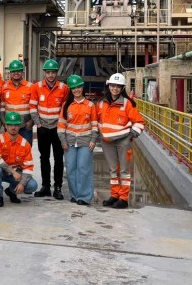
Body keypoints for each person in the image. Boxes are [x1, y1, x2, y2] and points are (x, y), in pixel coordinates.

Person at [98, 73, 145, 209]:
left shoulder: (127, 104)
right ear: (109, 86)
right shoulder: (101, 103)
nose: (115, 88)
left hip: (122, 141)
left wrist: (131, 135)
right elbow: (97, 120)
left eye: (118, 86)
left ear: (122, 88)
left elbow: (139, 122)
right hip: (107, 142)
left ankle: (123, 199)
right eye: (113, 85)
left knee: (124, 171)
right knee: (113, 170)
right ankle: (115, 195)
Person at [29, 59, 69, 200]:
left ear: (56, 73)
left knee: (59, 158)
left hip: (57, 129)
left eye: (53, 72)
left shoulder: (64, 88)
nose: (50, 75)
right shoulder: (36, 87)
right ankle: (46, 186)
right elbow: (33, 107)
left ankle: (57, 187)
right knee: (44, 157)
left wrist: (61, 126)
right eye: (48, 72)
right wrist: (38, 124)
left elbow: (65, 109)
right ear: (44, 73)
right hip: (43, 128)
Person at [57, 75, 98, 205]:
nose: (76, 90)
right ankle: (74, 195)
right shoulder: (66, 105)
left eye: (78, 87)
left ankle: (84, 197)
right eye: (73, 88)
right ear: (70, 90)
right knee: (70, 169)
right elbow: (61, 125)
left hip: (86, 142)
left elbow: (95, 124)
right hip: (69, 142)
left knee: (83, 168)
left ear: (82, 87)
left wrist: (93, 140)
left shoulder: (90, 105)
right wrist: (63, 141)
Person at [0, 111, 39, 207]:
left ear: (20, 126)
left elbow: (28, 167)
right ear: (6, 126)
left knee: (32, 186)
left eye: (16, 125)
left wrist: (22, 183)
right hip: (2, 171)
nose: (13, 127)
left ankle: (12, 191)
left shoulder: (25, 143)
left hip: (17, 173)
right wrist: (12, 171)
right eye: (10, 125)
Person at [0, 60, 33, 143]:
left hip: (25, 127)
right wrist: (4, 123)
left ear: (22, 72)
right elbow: (2, 107)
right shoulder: (4, 87)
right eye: (13, 71)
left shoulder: (30, 87)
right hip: (10, 127)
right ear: (10, 73)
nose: (16, 73)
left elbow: (35, 107)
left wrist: (31, 122)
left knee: (25, 151)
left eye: (18, 71)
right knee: (8, 152)